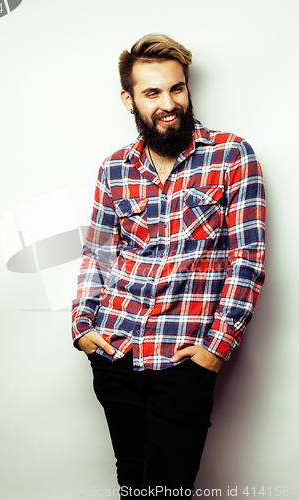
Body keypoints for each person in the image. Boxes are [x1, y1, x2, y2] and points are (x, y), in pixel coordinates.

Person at [71, 33, 265, 499]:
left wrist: (214, 349)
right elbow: (98, 254)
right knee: (132, 484)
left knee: (166, 490)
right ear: (129, 99)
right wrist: (82, 325)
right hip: (116, 351)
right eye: (152, 92)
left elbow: (248, 259)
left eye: (177, 88)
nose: (169, 103)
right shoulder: (114, 169)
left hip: (184, 357)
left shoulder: (231, 155)